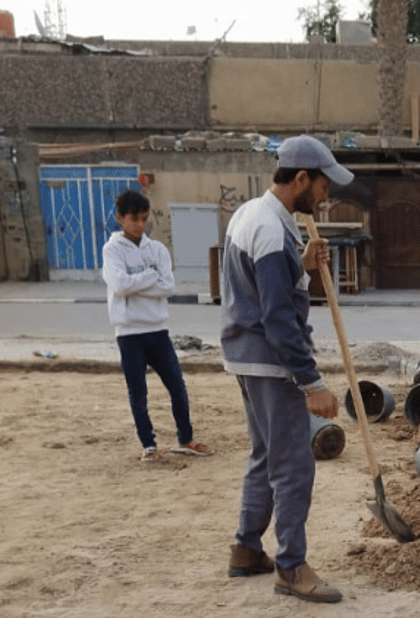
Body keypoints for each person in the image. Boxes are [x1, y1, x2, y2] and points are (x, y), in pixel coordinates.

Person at [220, 135, 353, 603]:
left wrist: (302, 264)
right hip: (271, 362)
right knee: (294, 465)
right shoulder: (273, 230)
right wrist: (312, 382)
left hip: (246, 355)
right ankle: (291, 568)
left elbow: (262, 286)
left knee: (265, 455)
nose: (325, 196)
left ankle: (246, 548)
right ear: (300, 178)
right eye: (321, 186)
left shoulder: (253, 214)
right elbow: (277, 317)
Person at [102, 189, 212, 463]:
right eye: (133, 219)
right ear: (120, 218)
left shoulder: (157, 249)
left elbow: (169, 286)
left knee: (177, 386)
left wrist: (139, 281)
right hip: (129, 333)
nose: (139, 224)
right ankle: (149, 446)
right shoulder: (112, 249)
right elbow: (120, 286)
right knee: (138, 392)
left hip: (158, 330)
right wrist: (151, 276)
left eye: (143, 218)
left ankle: (185, 439)